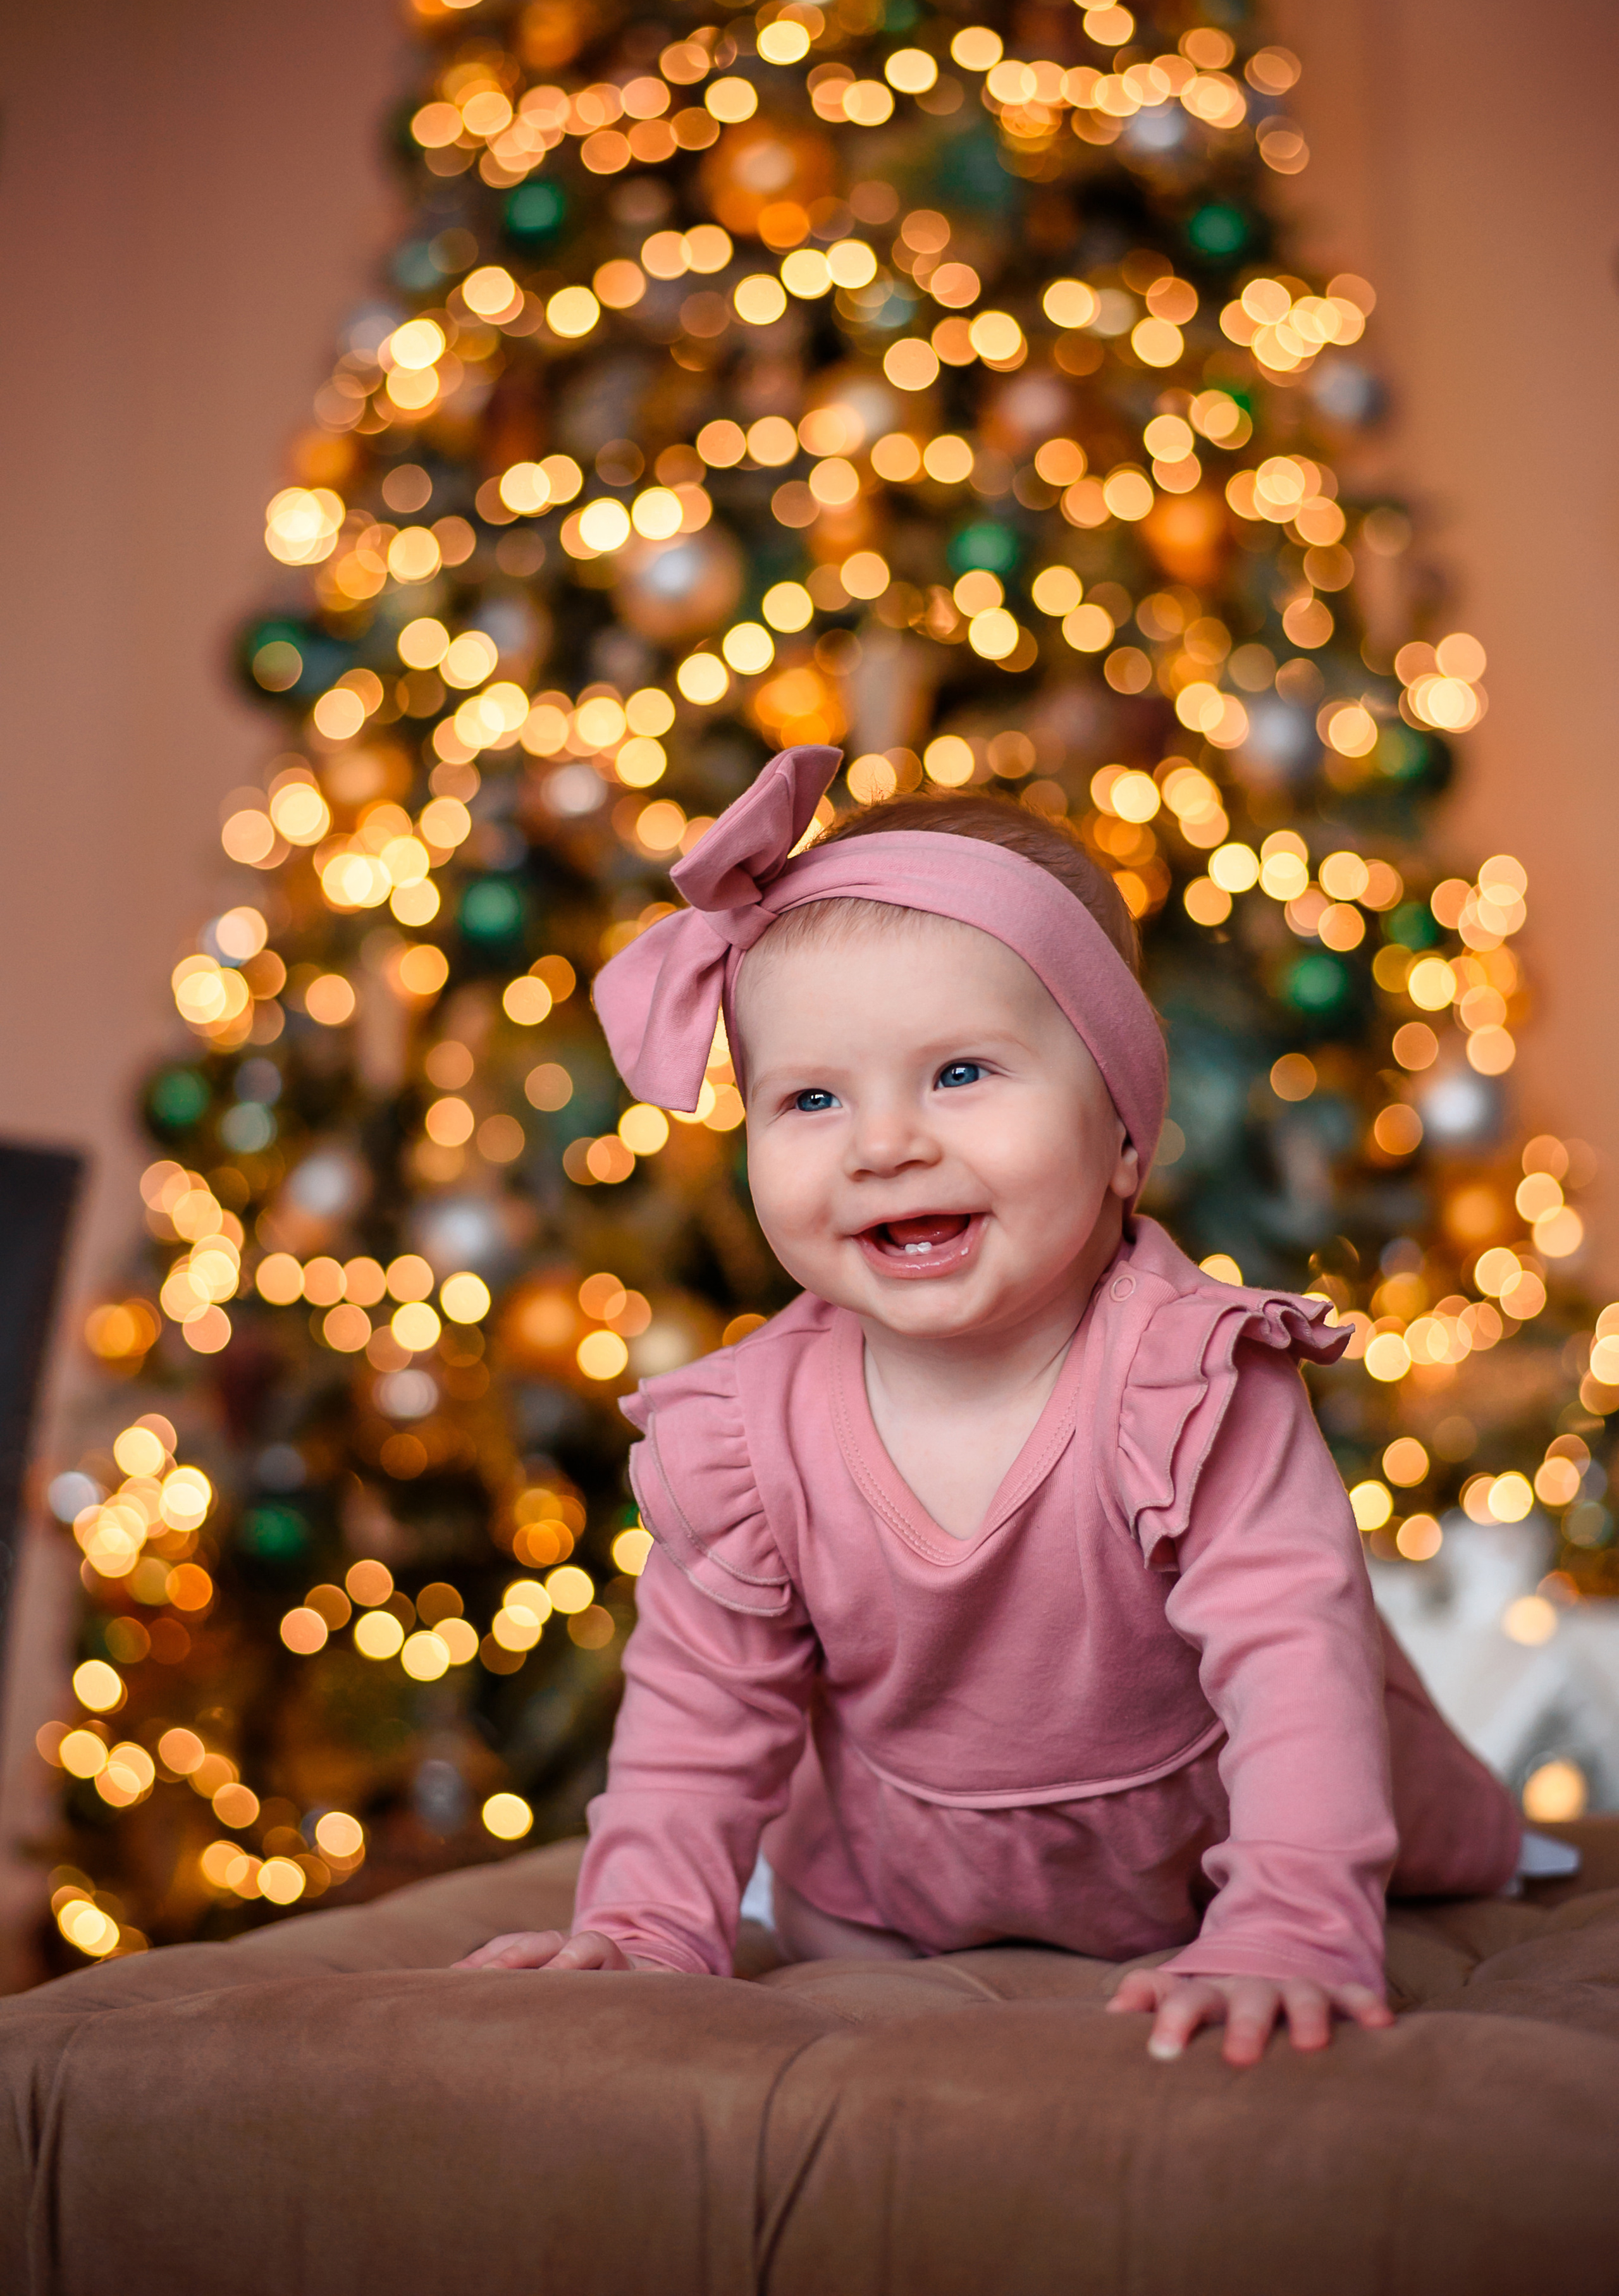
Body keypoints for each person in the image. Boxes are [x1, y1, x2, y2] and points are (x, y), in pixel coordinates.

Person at [455, 744, 1543, 2065]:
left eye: (959, 1072)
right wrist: (637, 1927)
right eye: (808, 1097)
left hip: (1212, 1851)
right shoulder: (744, 1435)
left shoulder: (1186, 1381)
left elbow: (1291, 1663)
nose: (882, 1143)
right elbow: (701, 1714)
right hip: (891, 1891)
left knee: (1433, 1811)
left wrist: (1289, 1925)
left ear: (1122, 1136)